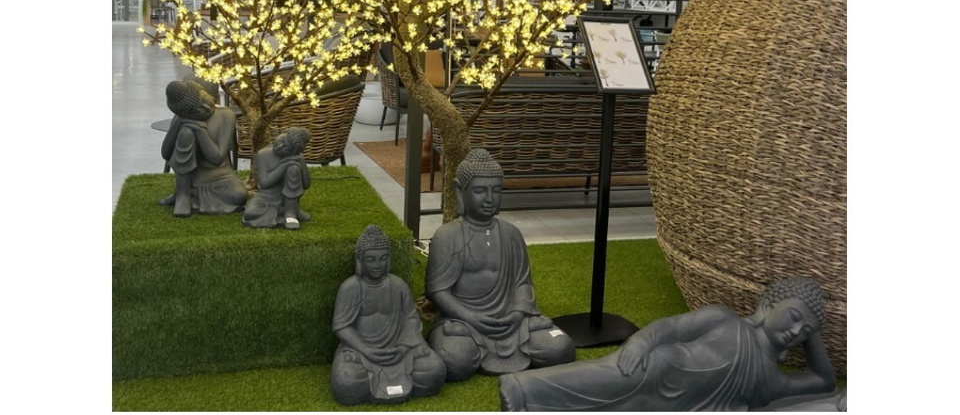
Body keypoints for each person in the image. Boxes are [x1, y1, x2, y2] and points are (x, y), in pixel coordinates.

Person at [498, 276, 837, 412]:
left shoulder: (770, 379)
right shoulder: (725, 319)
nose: (796, 331)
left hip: (672, 404)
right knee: (601, 378)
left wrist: (813, 330)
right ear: (767, 305)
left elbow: (824, 381)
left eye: (804, 331)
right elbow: (672, 327)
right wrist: (641, 342)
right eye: (793, 317)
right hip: (654, 368)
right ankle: (523, 388)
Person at [426, 149, 575, 380]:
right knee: (456, 358)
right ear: (460, 191)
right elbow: (437, 291)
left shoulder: (510, 233)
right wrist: (471, 317)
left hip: (513, 322)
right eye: (479, 191)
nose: (489, 198)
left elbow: (523, 284)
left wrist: (517, 312)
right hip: (464, 322)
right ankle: (469, 346)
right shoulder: (447, 235)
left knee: (559, 347)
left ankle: (519, 339)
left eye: (496, 190)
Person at [330, 225, 446, 405]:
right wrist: (366, 350)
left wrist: (404, 347)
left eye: (383, 258)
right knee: (346, 379)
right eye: (371, 259)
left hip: (398, 349)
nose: (378, 265)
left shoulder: (398, 285)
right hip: (361, 351)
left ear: (389, 258)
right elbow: (342, 327)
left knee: (434, 369)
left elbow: (410, 319)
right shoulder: (351, 287)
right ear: (360, 260)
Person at [159, 80, 247, 217]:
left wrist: (200, 130)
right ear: (188, 114)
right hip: (191, 179)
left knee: (239, 195)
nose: (206, 107)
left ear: (205, 92)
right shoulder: (181, 119)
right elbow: (165, 153)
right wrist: (179, 123)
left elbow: (216, 159)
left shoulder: (226, 115)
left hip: (220, 178)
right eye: (198, 110)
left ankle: (190, 195)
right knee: (186, 133)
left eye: (205, 99)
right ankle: (183, 195)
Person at [242, 127, 312, 230]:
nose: (280, 146)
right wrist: (284, 165)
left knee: (293, 169)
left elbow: (306, 184)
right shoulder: (263, 154)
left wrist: (301, 161)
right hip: (266, 197)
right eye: (282, 140)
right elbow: (264, 184)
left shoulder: (296, 159)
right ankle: (287, 212)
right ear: (282, 133)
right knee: (250, 213)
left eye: (286, 149)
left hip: (288, 199)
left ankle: (290, 214)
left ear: (292, 153)